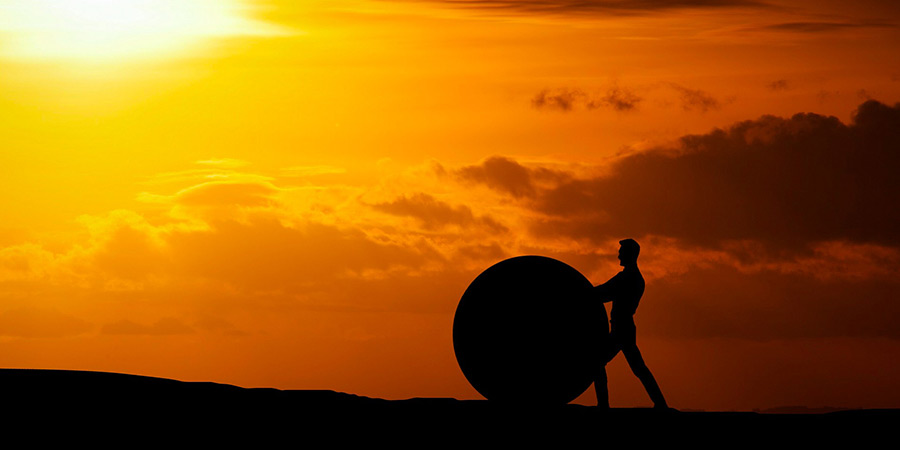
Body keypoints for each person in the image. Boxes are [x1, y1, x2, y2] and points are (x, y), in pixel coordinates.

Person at [593, 238, 668, 409]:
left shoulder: (627, 278)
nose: (618, 254)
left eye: (621, 251)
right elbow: (604, 293)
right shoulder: (635, 277)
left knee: (597, 362)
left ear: (629, 254)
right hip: (625, 328)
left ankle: (603, 405)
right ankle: (660, 404)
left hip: (621, 328)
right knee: (638, 368)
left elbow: (603, 293)